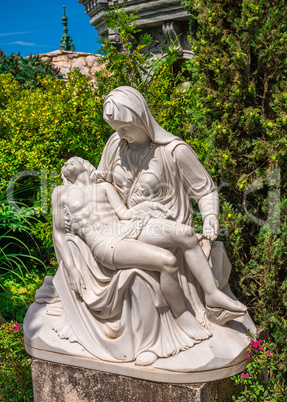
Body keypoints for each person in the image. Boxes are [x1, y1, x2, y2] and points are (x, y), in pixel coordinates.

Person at [53, 156, 246, 364]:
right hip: (105, 242)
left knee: (186, 234)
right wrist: (72, 269)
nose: (66, 163)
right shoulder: (61, 193)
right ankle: (181, 314)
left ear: (85, 165)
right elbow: (59, 234)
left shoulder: (104, 187)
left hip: (125, 228)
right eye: (65, 164)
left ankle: (212, 295)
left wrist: (147, 207)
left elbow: (124, 214)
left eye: (73, 160)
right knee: (167, 261)